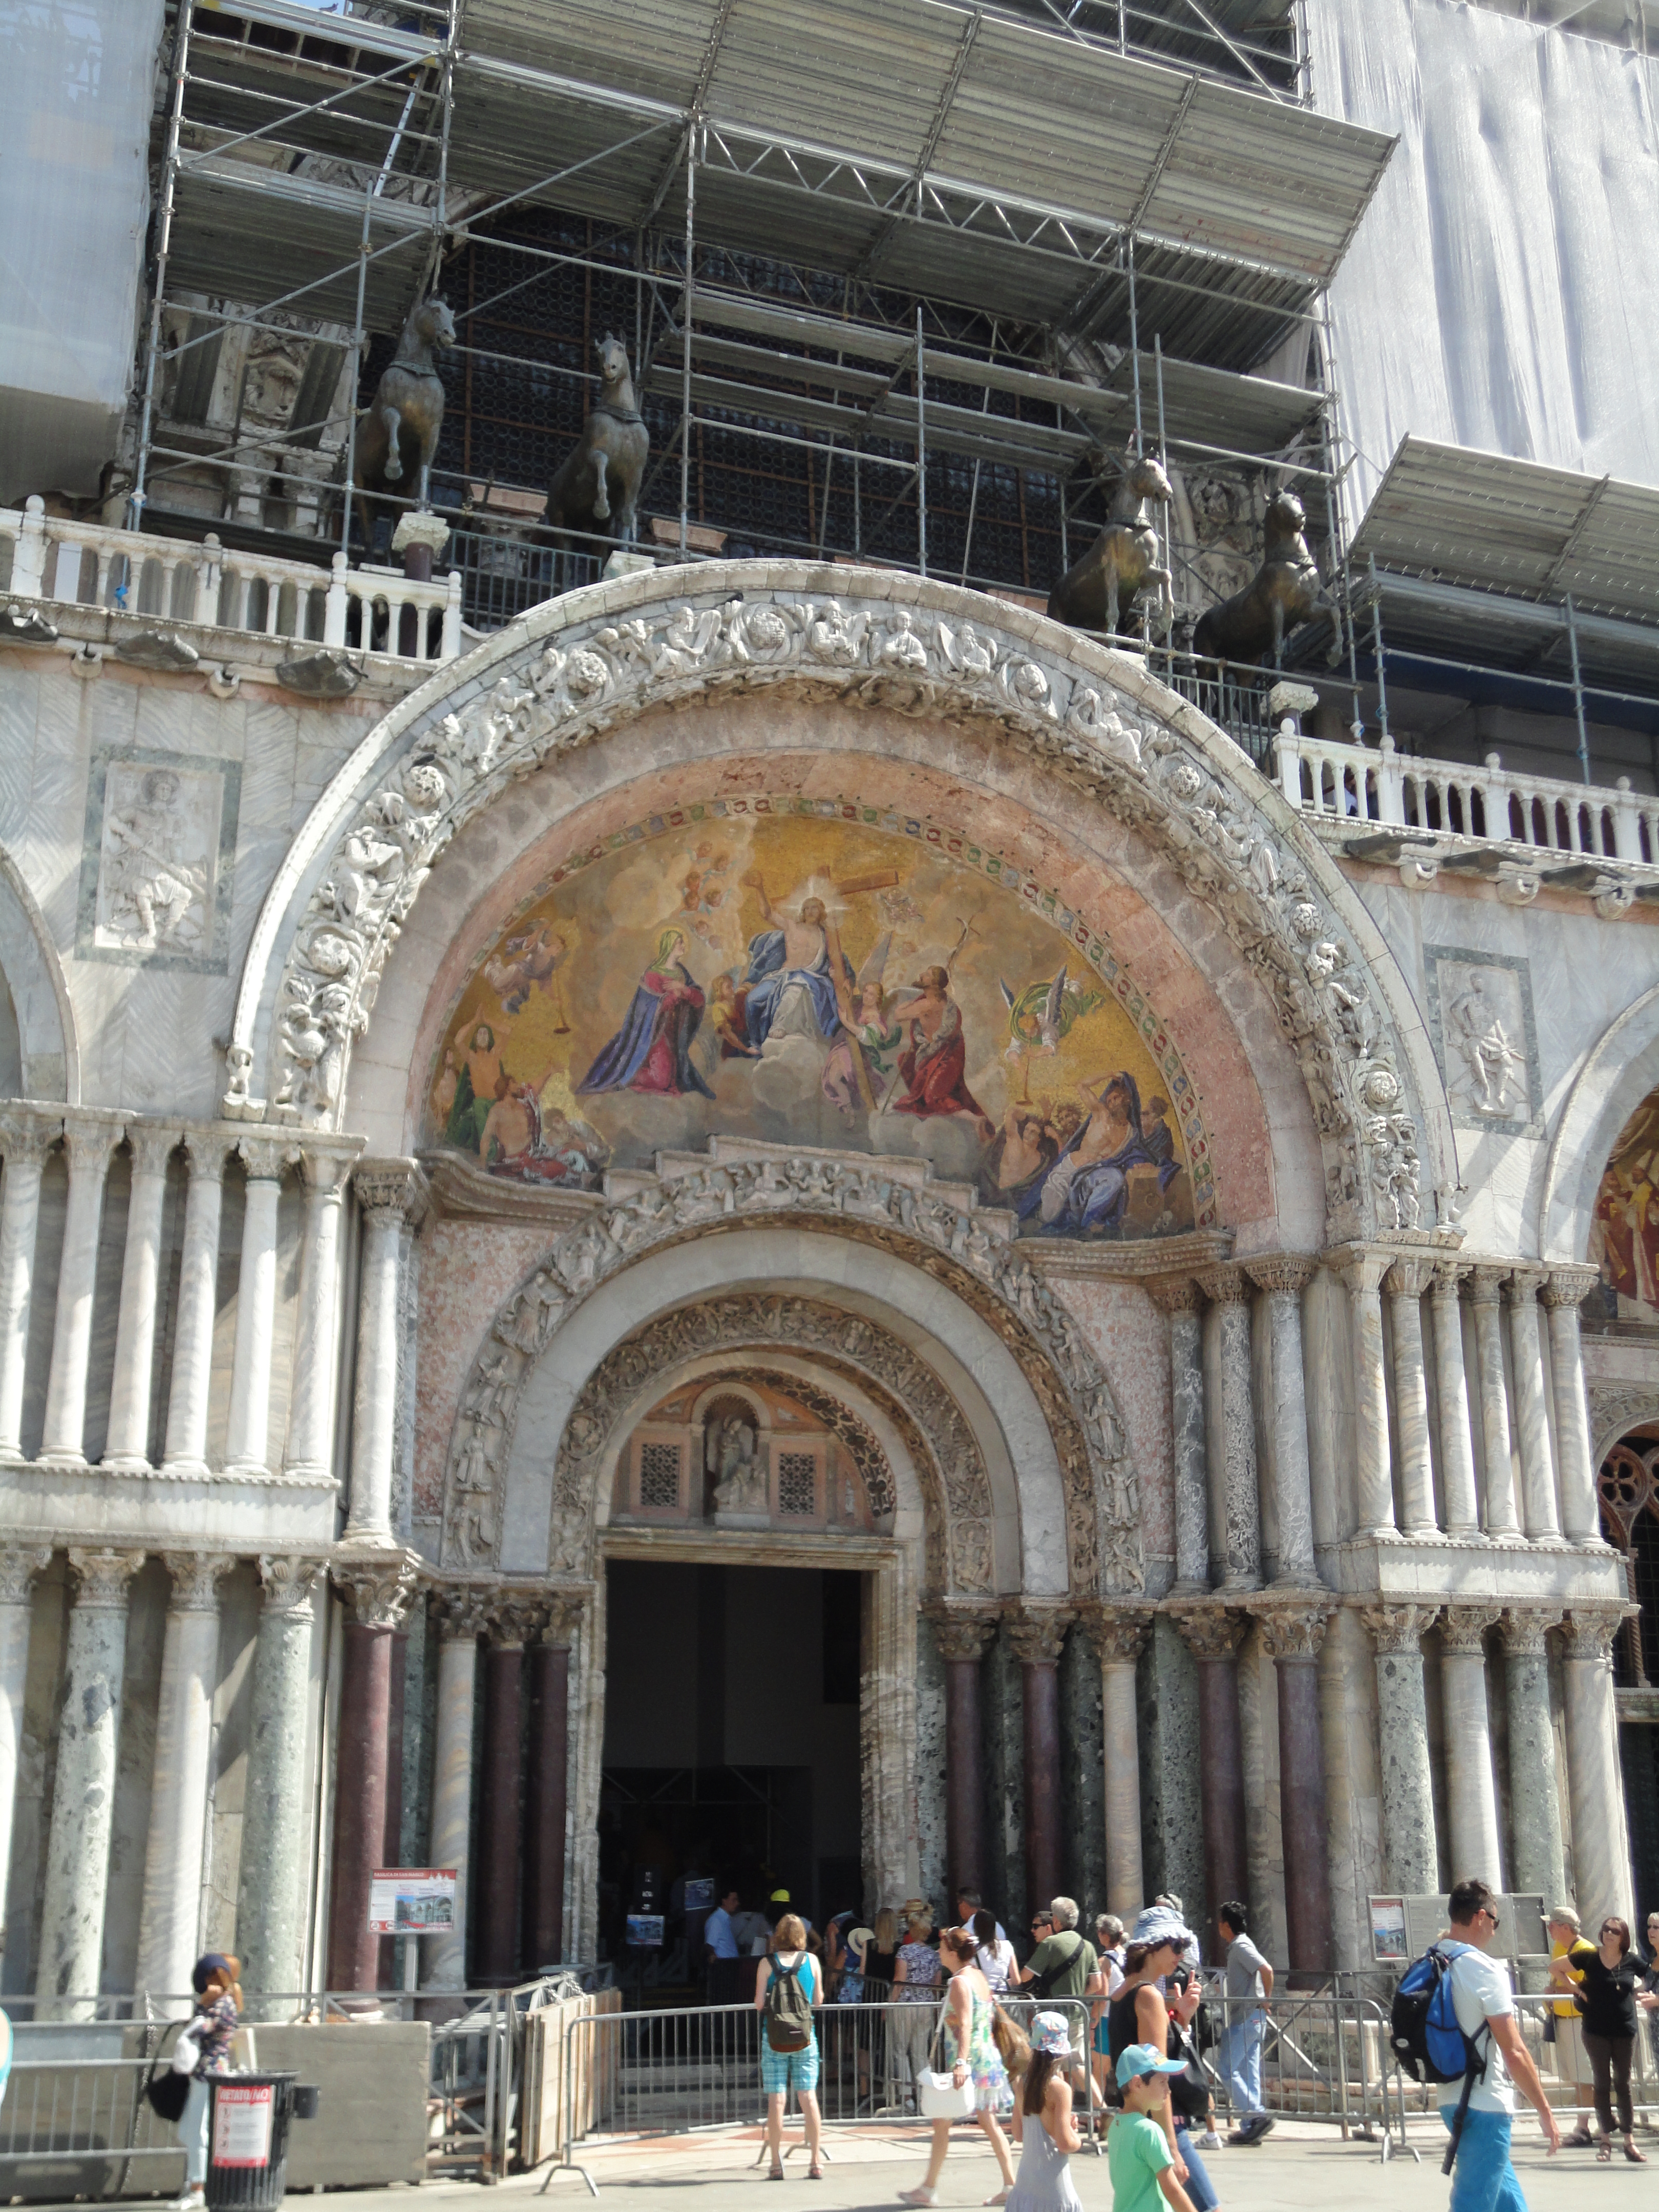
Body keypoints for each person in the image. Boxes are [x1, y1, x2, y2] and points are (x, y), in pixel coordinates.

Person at [1437, 1877, 1561, 2208]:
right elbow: (1515, 2050)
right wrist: (1544, 2110)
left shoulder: (1431, 1960)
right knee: (1473, 2203)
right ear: (1481, 1917)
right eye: (1495, 1921)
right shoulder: (1484, 1969)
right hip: (1485, 2104)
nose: (1494, 1930)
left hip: (1449, 2097)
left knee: (1508, 2202)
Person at [898, 1922, 1016, 2207]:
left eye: (942, 1948)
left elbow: (965, 2024)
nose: (938, 1952)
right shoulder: (978, 1976)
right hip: (985, 2056)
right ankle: (1009, 2185)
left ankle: (929, 2189)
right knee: (984, 2122)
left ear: (953, 1953)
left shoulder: (960, 1983)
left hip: (969, 2060)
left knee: (945, 2122)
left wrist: (961, 2062)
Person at [1107, 1933, 1217, 2212]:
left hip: (1133, 2116)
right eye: (1177, 1947)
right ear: (1152, 1948)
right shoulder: (1148, 1995)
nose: (1181, 1955)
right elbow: (1157, 2071)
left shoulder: (1121, 1992)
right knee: (1208, 2208)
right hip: (1159, 2120)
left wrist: (1181, 2019)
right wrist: (1172, 2145)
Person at [755, 1911, 823, 2182]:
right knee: (808, 2097)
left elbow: (759, 2003)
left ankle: (775, 2163)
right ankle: (815, 2161)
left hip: (774, 2037)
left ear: (778, 1936)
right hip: (805, 2037)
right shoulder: (812, 1961)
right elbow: (818, 2000)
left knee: (777, 2100)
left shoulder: (767, 1963)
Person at [173, 1953, 241, 2212]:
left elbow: (199, 2029)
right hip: (201, 2072)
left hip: (210, 2073)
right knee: (188, 2131)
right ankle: (193, 2181)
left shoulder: (224, 2005)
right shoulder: (220, 2002)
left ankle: (198, 2189)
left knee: (198, 2132)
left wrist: (202, 2005)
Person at [1576, 1914, 1645, 2162]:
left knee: (1623, 2084)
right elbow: (1556, 1968)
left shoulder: (1631, 1960)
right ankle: (1605, 2140)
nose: (1609, 1934)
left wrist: (1640, 1992)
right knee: (1602, 2083)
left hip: (1625, 2030)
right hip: (1595, 2030)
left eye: (1615, 1931)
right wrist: (1577, 1990)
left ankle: (1629, 2140)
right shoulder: (1590, 1957)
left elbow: (1651, 1975)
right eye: (1606, 1929)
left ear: (1623, 1936)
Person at [1004, 2011, 1083, 2212]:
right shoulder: (1060, 2089)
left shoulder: (1022, 2083)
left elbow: (1018, 2133)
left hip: (1025, 2187)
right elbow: (1065, 2144)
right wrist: (1076, 2137)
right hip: (1054, 2189)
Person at [1108, 2045, 1198, 2212]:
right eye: (1162, 2082)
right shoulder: (1149, 2131)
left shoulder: (1117, 2125)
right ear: (1138, 2084)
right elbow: (1173, 2192)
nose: (1168, 2091)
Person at [1216, 1898, 1274, 2143]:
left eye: (1220, 1922)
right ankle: (1251, 2126)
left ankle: (1256, 2114)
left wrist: (1267, 2000)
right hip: (1253, 2017)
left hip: (1247, 2016)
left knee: (1226, 2069)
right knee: (1248, 2071)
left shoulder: (1241, 1945)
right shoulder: (1241, 1945)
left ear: (1227, 1925)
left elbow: (1267, 1970)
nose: (1218, 1927)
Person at [1545, 1903, 1599, 2143]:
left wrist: (1558, 1991)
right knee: (1578, 2078)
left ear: (1565, 1927)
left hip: (1581, 2021)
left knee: (1585, 2078)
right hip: (1564, 2019)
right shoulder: (1559, 1947)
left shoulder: (1585, 1949)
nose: (1549, 1929)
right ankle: (1599, 2121)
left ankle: (1583, 2127)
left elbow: (1588, 1989)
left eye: (1552, 1926)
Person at [891, 1905, 944, 2104]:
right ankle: (923, 2095)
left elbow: (899, 1981)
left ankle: (907, 2096)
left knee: (900, 2050)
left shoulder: (905, 1952)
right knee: (921, 2052)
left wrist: (888, 2004)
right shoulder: (935, 1955)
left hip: (906, 2005)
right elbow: (936, 1986)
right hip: (926, 2005)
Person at [1017, 1897, 1098, 2003]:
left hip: (1053, 2010)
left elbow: (1025, 1977)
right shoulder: (1089, 1946)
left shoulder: (1050, 1943)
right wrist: (1075, 1999)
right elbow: (1097, 1985)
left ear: (1055, 1920)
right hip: (1079, 2010)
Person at [705, 1883, 741, 2006]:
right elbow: (710, 1944)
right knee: (724, 2000)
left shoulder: (725, 1919)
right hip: (722, 1968)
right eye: (734, 1900)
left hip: (729, 1967)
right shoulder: (717, 1920)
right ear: (724, 1901)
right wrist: (712, 1956)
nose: (737, 1903)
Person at [974, 1907, 1018, 1995]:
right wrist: (1003, 1983)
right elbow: (1016, 1980)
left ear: (976, 1928)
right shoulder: (1007, 1946)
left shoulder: (973, 1951)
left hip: (983, 1998)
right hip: (1003, 1998)